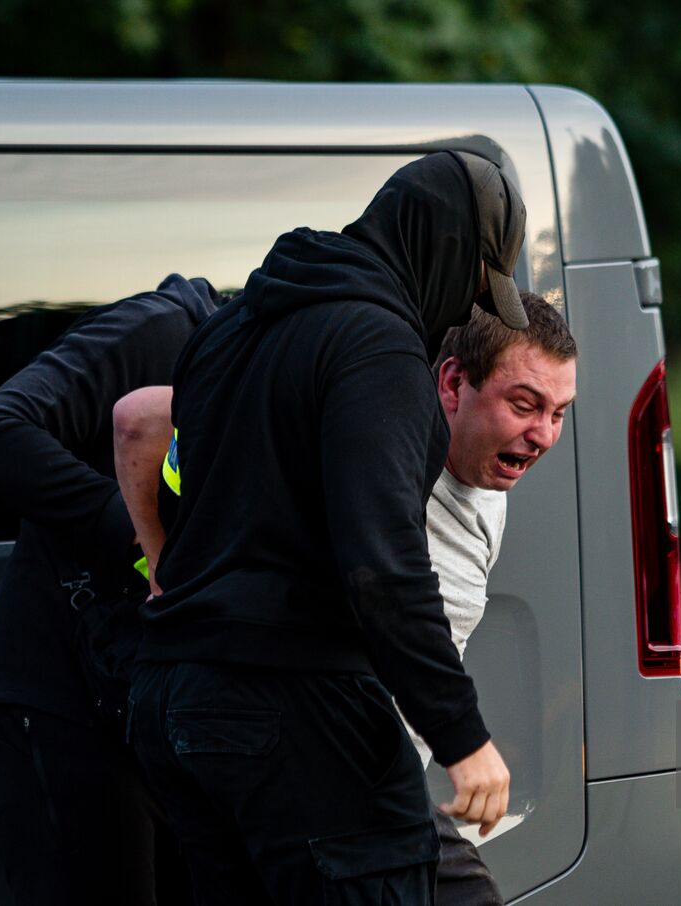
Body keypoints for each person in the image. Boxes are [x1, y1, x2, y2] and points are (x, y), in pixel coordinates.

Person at [126, 151, 522, 905]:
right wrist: (462, 738)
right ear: (443, 248)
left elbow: (180, 499)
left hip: (174, 703)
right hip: (298, 707)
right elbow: (381, 566)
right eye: (475, 285)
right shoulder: (378, 347)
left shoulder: (230, 332)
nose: (464, 311)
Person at [0, 274, 222, 906]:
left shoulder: (285, 398)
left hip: (156, 724)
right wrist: (142, 535)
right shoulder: (163, 329)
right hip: (54, 715)